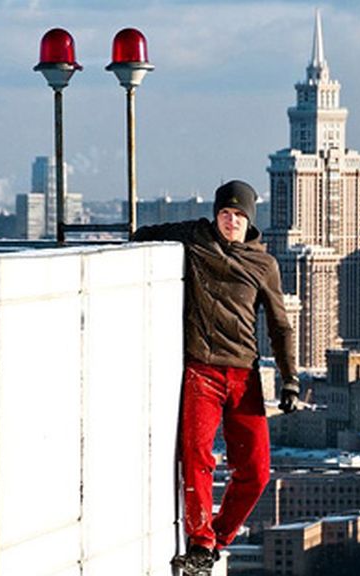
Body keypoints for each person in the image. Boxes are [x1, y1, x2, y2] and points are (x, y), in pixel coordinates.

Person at [132, 180, 300, 576]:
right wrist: (135, 240)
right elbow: (147, 235)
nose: (231, 221)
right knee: (196, 457)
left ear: (249, 221)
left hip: (244, 376)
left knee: (256, 471)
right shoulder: (196, 238)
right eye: (225, 214)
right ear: (216, 215)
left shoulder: (264, 265)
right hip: (201, 371)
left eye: (239, 216)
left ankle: (219, 537)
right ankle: (201, 543)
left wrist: (290, 379)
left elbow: (280, 326)